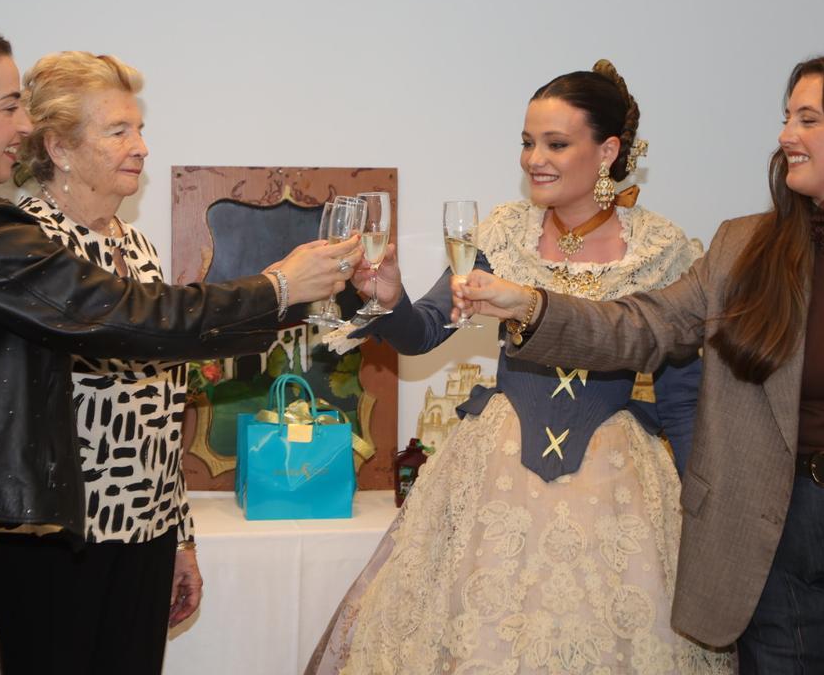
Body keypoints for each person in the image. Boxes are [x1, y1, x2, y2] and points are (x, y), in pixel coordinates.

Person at [0, 19, 360, 672]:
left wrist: (177, 533)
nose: (23, 126)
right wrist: (279, 286)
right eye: (9, 106)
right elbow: (135, 319)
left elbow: (157, 377)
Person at [461, 51, 824, 675]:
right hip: (775, 538)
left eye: (807, 119)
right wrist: (530, 304)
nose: (785, 136)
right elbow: (643, 325)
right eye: (787, 117)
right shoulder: (741, 248)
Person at [307, 61, 733, 673]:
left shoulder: (664, 250)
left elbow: (684, 398)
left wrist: (706, 515)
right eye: (528, 142)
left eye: (556, 144)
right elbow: (425, 332)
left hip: (618, 491)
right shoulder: (503, 232)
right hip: (496, 479)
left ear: (608, 151)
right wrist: (389, 299)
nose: (535, 159)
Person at [0, 51, 212, 673]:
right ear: (58, 148)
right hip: (53, 541)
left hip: (145, 537)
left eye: (139, 129)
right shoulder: (22, 243)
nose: (141, 146)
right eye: (118, 131)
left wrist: (179, 536)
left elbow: (160, 409)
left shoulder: (138, 248)